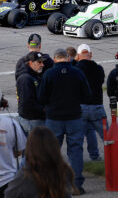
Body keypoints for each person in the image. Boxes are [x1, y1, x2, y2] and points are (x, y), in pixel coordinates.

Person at [38, 49, 91, 195]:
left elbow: (41, 97)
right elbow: (87, 95)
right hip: (74, 116)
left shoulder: (49, 74)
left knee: (52, 151)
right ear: (68, 58)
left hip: (54, 117)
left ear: (55, 59)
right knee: (76, 150)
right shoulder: (77, 73)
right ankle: (76, 184)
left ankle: (52, 184)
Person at [4, 126, 75, 198]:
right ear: (55, 146)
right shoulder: (64, 171)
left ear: (30, 148)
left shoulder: (24, 176)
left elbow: (9, 195)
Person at [75, 44, 106, 161]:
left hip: (81, 107)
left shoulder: (76, 69)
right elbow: (101, 81)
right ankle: (113, 159)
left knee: (77, 139)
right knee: (107, 136)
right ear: (91, 54)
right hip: (97, 106)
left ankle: (76, 162)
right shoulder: (99, 68)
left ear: (78, 56)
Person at [16, 51, 46, 134]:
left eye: (42, 62)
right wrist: (44, 110)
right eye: (39, 62)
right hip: (31, 120)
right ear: (30, 63)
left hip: (35, 119)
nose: (42, 65)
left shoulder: (33, 75)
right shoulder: (25, 79)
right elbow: (27, 103)